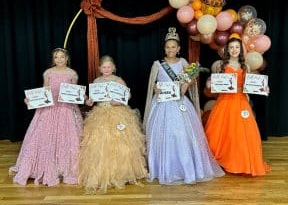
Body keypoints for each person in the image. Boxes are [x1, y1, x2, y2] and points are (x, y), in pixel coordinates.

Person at [143, 27, 224, 185]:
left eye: (174, 47)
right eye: (168, 47)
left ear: (179, 48)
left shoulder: (183, 62)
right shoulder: (157, 64)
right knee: (164, 135)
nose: (170, 49)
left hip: (179, 102)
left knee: (182, 135)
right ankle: (165, 168)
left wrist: (185, 87)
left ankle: (187, 168)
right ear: (164, 48)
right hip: (162, 103)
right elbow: (152, 85)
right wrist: (156, 89)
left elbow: (191, 79)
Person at [9, 48, 83, 186]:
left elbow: (75, 91)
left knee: (68, 136)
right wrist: (31, 99)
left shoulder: (72, 73)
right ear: (53, 59)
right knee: (43, 136)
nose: (59, 59)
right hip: (50, 108)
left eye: (62, 57)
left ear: (67, 58)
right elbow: (45, 90)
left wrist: (82, 97)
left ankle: (65, 166)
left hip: (66, 108)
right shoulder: (48, 73)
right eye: (56, 57)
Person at [78, 55, 148, 194]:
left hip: (117, 112)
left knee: (120, 144)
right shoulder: (97, 80)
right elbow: (93, 97)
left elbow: (127, 95)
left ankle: (121, 173)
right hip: (100, 113)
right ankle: (100, 174)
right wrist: (90, 102)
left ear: (114, 67)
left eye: (109, 67)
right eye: (104, 67)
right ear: (99, 68)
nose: (106, 69)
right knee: (99, 144)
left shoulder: (118, 80)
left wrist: (119, 101)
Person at [204, 37, 270, 176]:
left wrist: (263, 88)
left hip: (240, 101)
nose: (234, 50)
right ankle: (224, 160)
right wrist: (211, 84)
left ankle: (241, 162)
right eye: (232, 47)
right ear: (227, 49)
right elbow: (216, 82)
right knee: (224, 132)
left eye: (237, 47)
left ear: (241, 50)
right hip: (225, 101)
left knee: (243, 133)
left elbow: (250, 83)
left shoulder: (245, 66)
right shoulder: (220, 65)